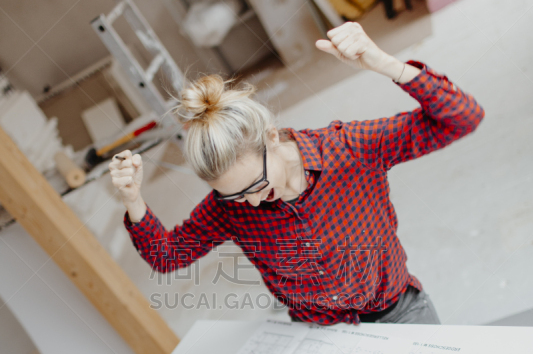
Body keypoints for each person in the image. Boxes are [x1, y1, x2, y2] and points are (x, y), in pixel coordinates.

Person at [109, 22, 484, 325]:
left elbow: (462, 118)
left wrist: (386, 64)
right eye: (235, 195)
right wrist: (133, 199)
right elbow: (167, 255)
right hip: (317, 336)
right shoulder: (230, 208)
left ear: (272, 137)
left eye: (255, 185)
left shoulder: (349, 149)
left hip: (398, 312)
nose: (251, 201)